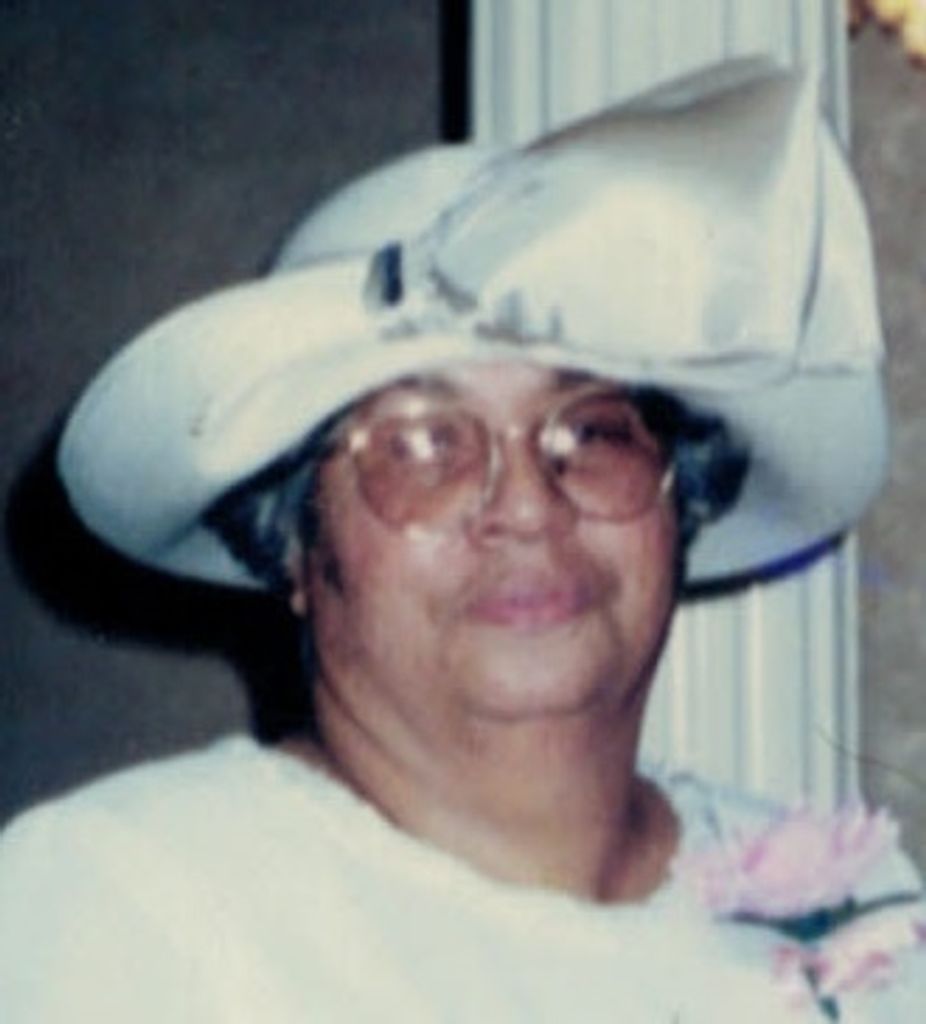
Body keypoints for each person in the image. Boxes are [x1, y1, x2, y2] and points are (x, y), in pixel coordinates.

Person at [0, 59, 923, 1021]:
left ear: (677, 500)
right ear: (294, 545)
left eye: (591, 432)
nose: (526, 506)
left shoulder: (854, 912)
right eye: (421, 446)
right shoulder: (124, 907)